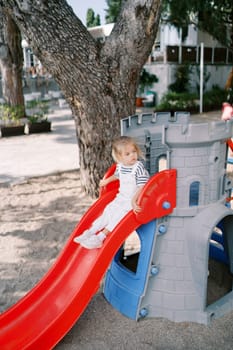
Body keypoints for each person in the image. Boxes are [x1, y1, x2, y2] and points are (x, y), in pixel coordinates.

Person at [73, 136, 150, 249]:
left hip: (133, 199)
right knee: (108, 211)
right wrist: (107, 181)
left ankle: (100, 237)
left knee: (117, 217)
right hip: (121, 197)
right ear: (119, 157)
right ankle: (91, 232)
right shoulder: (120, 166)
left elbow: (142, 185)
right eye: (127, 154)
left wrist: (134, 200)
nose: (132, 155)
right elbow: (117, 175)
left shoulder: (138, 167)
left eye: (133, 151)